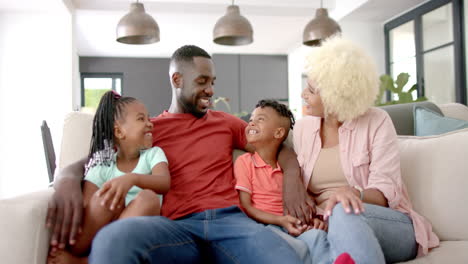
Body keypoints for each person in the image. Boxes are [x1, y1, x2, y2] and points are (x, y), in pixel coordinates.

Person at [46, 45, 309, 264]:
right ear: (177, 80)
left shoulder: (224, 122)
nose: (210, 90)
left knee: (283, 258)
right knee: (113, 238)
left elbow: (276, 146)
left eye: (212, 82)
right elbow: (101, 157)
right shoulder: (149, 129)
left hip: (231, 223)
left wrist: (292, 176)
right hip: (176, 228)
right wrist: (66, 177)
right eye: (202, 82)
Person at [293, 37, 440, 264]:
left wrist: (353, 193)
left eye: (311, 90)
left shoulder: (377, 121)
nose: (304, 94)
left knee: (344, 210)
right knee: (312, 236)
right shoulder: (303, 128)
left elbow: (386, 190)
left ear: (335, 97)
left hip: (383, 222)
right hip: (328, 224)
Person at [47, 91, 170, 264]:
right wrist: (112, 204)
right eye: (142, 119)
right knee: (106, 198)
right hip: (98, 234)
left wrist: (132, 179)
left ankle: (86, 261)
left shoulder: (153, 155)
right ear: (119, 131)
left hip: (137, 232)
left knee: (149, 198)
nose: (150, 124)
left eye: (149, 119)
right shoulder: (103, 166)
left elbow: (164, 183)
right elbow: (89, 206)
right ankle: (86, 251)